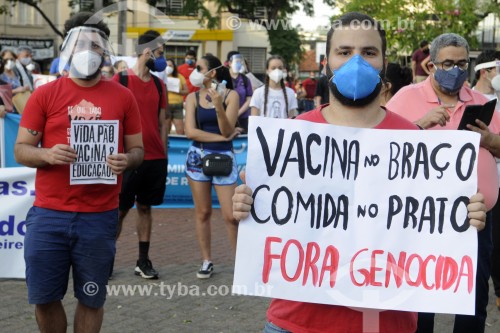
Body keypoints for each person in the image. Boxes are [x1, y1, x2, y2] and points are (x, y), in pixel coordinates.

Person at [232, 12, 488, 333]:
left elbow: (427, 228)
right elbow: (264, 239)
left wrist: (464, 218)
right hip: (296, 323)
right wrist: (243, 210)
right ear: (327, 63)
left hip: (385, 324)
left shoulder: (411, 141)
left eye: (368, 52)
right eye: (344, 52)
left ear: (383, 63)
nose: (357, 62)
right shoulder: (293, 136)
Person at [14, 12, 144, 333]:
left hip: (98, 217)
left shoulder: (123, 97)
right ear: (68, 48)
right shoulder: (45, 95)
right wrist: (47, 154)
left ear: (105, 51)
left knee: (91, 299)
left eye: (96, 45)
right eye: (81, 43)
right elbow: (21, 150)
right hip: (49, 215)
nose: (89, 50)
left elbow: (138, 151)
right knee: (44, 298)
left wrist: (127, 160)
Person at [386, 33, 500, 333]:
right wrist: (419, 125)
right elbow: (382, 148)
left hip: (475, 219)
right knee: (420, 296)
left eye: (462, 63)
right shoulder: (405, 97)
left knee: (473, 295)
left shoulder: (480, 101)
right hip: (422, 218)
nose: (456, 70)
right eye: (448, 63)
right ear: (432, 65)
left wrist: (488, 139)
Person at [112, 33, 168, 280]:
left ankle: (143, 261)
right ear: (148, 52)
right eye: (160, 52)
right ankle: (105, 261)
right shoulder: (120, 80)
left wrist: (164, 151)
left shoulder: (159, 84)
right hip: (128, 158)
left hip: (155, 158)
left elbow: (162, 121)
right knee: (120, 210)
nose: (162, 57)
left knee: (145, 208)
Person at [184, 54, 241, 279]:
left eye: (199, 67)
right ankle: (206, 260)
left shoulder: (230, 96)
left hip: (224, 159)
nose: (194, 71)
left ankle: (240, 263)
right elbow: (190, 132)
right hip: (197, 158)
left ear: (212, 72)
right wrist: (221, 138)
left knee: (231, 215)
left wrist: (218, 107)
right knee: (203, 212)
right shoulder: (191, 98)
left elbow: (227, 130)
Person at [472, 50, 500, 311]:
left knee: (480, 276)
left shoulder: (489, 103)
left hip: (489, 203)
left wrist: (490, 140)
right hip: (434, 212)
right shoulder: (473, 102)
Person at [227, 51, 252, 133]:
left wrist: (238, 113)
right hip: (226, 117)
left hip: (243, 118)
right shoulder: (223, 79)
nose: (239, 64)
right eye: (236, 61)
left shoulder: (245, 80)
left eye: (240, 62)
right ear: (230, 63)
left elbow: (249, 99)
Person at [164, 58, 188, 134]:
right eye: (167, 65)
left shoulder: (180, 77)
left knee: (180, 130)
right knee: (166, 130)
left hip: (178, 107)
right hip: (165, 106)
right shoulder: (161, 77)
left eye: (170, 65)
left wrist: (177, 91)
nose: (168, 67)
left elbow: (187, 91)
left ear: (174, 67)